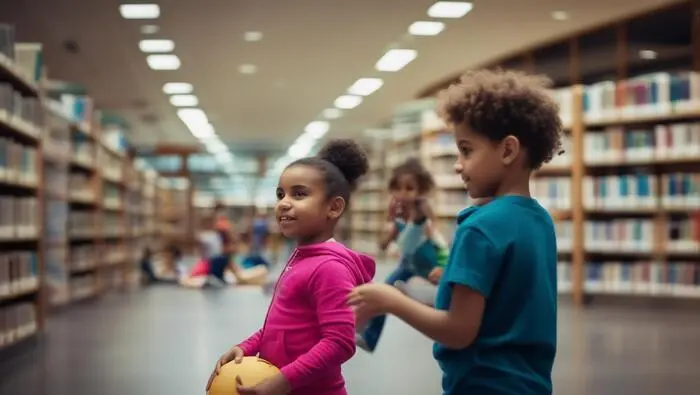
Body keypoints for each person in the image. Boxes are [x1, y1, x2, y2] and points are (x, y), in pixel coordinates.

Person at [348, 69, 563, 395]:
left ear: (507, 150)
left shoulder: (480, 226)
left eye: (466, 150)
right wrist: (449, 279)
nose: (457, 164)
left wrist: (390, 300)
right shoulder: (540, 221)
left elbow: (458, 331)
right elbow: (507, 299)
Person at [206, 139, 376, 395]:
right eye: (280, 194)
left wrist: (282, 381)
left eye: (299, 194)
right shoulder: (302, 258)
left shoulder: (329, 268)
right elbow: (280, 328)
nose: (284, 203)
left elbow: (339, 342)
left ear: (334, 207)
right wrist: (247, 346)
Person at [356, 158, 450, 352]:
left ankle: (451, 333)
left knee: (445, 300)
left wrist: (443, 265)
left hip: (431, 264)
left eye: (409, 188)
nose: (402, 194)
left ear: (421, 191)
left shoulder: (422, 210)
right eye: (398, 188)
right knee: (383, 294)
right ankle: (370, 338)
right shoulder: (398, 218)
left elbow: (438, 242)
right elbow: (383, 244)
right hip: (408, 265)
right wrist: (390, 221)